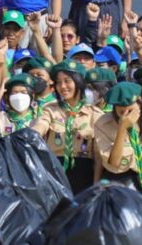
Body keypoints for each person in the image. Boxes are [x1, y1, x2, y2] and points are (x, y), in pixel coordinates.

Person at [93, 81, 142, 208]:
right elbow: (113, 163)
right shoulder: (103, 124)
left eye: (131, 110)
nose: (127, 115)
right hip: (117, 184)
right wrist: (122, 129)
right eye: (121, 111)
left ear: (139, 103)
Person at [36, 60, 102, 193]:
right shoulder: (50, 110)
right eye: (59, 82)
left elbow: (98, 157)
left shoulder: (94, 114)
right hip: (55, 171)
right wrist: (32, 132)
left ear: (79, 82)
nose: (63, 86)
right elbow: (40, 126)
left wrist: (96, 186)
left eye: (67, 81)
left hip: (83, 173)